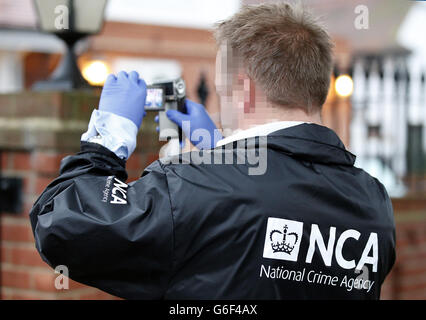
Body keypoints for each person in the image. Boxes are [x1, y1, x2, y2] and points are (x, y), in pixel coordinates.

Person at [30, 3, 395, 299]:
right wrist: (219, 151)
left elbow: (60, 223)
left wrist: (107, 138)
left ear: (245, 90)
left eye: (222, 90)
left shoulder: (194, 187)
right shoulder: (373, 201)